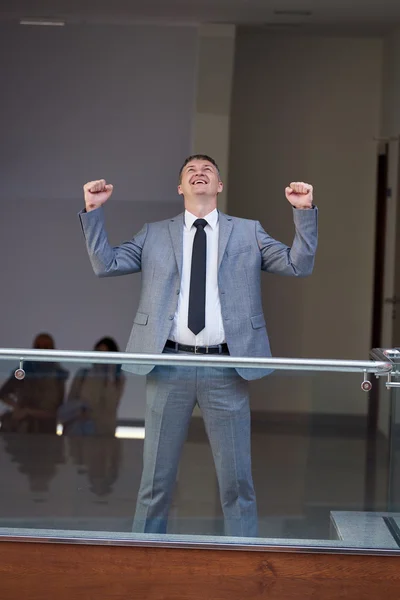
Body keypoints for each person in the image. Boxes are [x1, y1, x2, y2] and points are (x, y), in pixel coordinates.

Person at [79, 154, 318, 537]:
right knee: (155, 483)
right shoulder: (154, 233)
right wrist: (92, 210)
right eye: (190, 171)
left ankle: (243, 563)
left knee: (237, 483)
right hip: (168, 363)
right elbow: (105, 264)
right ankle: (144, 559)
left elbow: (297, 265)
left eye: (208, 170)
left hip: (226, 367)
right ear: (180, 188)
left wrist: (304, 212)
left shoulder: (248, 231)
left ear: (219, 186)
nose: (199, 173)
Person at [0, 333, 68, 434]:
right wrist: (17, 408)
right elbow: (3, 393)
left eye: (46, 347)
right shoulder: (24, 370)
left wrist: (29, 412)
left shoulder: (58, 374)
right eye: (38, 347)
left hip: (47, 430)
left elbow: (57, 409)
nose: (42, 350)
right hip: (22, 429)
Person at [61, 337, 125, 436]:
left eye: (105, 354)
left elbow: (111, 404)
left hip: (105, 436)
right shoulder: (83, 374)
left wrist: (110, 375)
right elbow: (70, 402)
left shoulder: (117, 378)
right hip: (81, 434)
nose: (100, 357)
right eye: (98, 352)